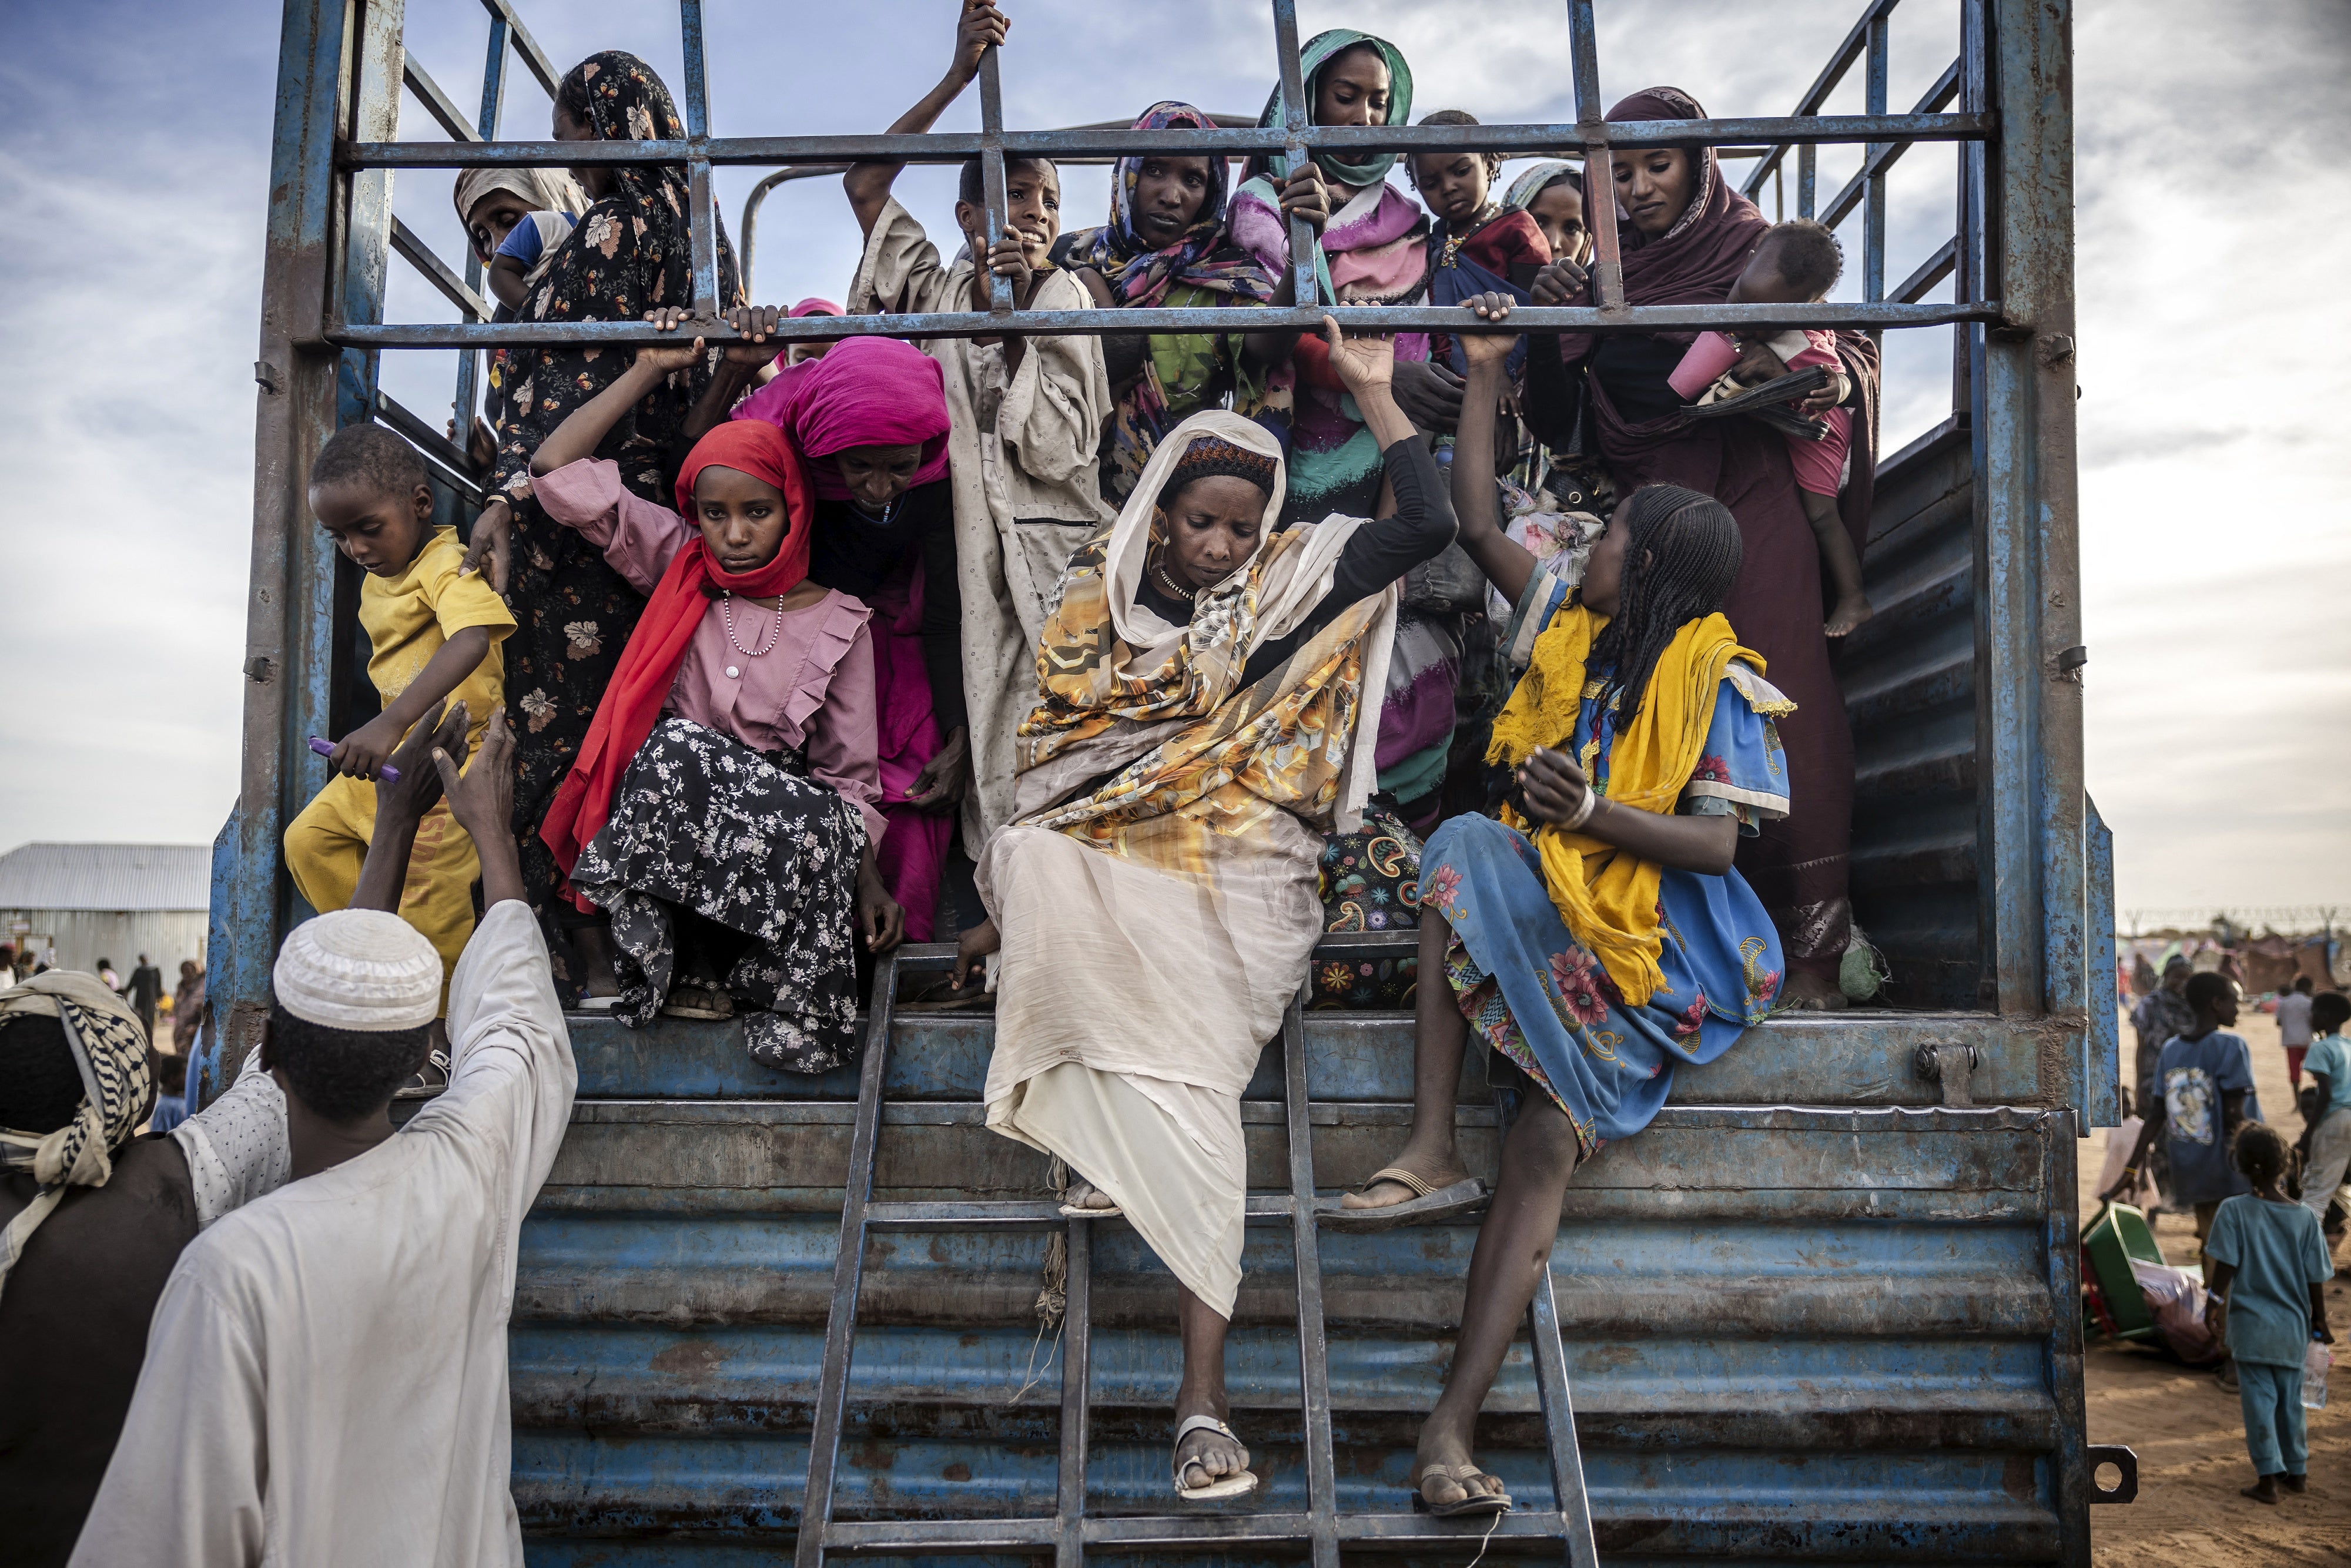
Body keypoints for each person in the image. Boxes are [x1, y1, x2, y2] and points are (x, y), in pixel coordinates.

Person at [952, 325, 1456, 1502]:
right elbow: (1059, 772)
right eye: (1201, 523)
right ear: (1160, 516)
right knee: (1027, 853)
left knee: (1191, 1083)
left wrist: (1372, 392)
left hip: (1246, 867)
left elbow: (1427, 523)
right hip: (1114, 847)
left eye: (1242, 525)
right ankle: (1183, 1359)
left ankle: (1200, 1395)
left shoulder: (1293, 581)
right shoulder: (1095, 598)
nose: (1223, 547)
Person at [1338, 451, 1792, 1514]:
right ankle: (1433, 1145)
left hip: (1660, 955)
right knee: (1463, 840)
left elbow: (1718, 846)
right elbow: (1480, 519)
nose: (1592, 544)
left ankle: (1450, 1423)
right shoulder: (1570, 633)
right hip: (1568, 911)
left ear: (1653, 565)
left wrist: (1589, 811)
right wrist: (1485, 378)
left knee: (1546, 1139)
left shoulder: (1719, 679)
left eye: (1614, 533)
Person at [70, 707, 576, 1567]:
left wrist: (394, 824)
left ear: (271, 1050)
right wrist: (491, 837)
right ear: (422, 1058)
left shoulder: (233, 1274)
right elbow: (516, 1024)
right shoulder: (469, 1176)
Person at [1525, 86, 1877, 1010]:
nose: (1639, 188)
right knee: (1660, 705)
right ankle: (1688, 945)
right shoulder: (1599, 277)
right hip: (1654, 519)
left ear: (1700, 167)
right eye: (1620, 173)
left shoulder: (1755, 248)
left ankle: (1811, 950)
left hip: (1756, 499)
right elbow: (1562, 423)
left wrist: (1819, 377)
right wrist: (1548, 324)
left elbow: (1845, 350)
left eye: (1658, 165)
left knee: (1779, 695)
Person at [530, 352, 902, 1071]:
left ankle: (770, 980)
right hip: (676, 817)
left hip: (774, 838)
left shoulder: (841, 622)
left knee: (781, 796)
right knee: (678, 749)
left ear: (793, 510)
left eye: (756, 512)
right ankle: (690, 957)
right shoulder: (681, 561)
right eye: (715, 514)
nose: (733, 534)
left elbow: (848, 780)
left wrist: (868, 880)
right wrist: (647, 368)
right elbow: (553, 469)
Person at [462, 50, 744, 997]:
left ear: (609, 126)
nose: (565, 155)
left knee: (557, 733)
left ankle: (558, 953)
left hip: (576, 514)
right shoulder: (705, 233)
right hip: (660, 519)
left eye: (570, 133)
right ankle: (653, 949)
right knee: (646, 729)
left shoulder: (615, 225)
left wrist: (504, 495)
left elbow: (550, 380)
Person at [842, 0, 1117, 867]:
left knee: (1067, 734)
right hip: (959, 541)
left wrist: (1019, 313)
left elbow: (1060, 448)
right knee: (981, 717)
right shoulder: (937, 290)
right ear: (968, 218)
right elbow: (865, 186)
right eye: (1017, 193)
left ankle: (1059, 900)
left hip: (1056, 549)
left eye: (1049, 199)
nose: (1035, 212)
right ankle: (999, 896)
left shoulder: (1067, 296)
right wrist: (958, 77)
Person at [717, 336, 964, 940]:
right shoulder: (785, 453)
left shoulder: (935, 479)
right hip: (791, 631)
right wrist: (731, 373)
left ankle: (900, 946)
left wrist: (961, 736)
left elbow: (942, 613)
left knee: (916, 776)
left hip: (892, 633)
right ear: (825, 447)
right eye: (860, 467)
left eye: (899, 467)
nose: (879, 489)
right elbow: (695, 469)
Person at [283, 423, 514, 1054]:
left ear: (419, 504)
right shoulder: (376, 578)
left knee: (431, 903)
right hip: (398, 763)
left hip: (450, 765)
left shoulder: (446, 565)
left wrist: (388, 724)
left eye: (368, 528)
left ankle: (434, 1033)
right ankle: (381, 965)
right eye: (339, 536)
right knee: (309, 841)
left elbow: (472, 639)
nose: (355, 548)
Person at [1230, 28, 1446, 524]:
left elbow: (1425, 335)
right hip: (1296, 438)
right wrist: (1386, 379)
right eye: (1346, 97)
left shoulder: (1407, 217)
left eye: (1379, 103)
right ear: (1309, 101)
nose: (1363, 117)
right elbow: (1262, 338)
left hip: (1399, 438)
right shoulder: (1268, 200)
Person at [1054, 100, 1290, 504]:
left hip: (1181, 507)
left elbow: (1267, 346)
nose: (1172, 195)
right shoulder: (1070, 255)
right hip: (1064, 490)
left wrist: (1300, 257)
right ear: (1128, 172)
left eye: (1193, 180)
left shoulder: (1227, 273)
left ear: (1211, 192)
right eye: (1155, 170)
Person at [1669, 219, 1870, 636]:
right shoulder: (1749, 293)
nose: (1748, 322)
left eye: (1768, 321)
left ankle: (1854, 598)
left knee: (1821, 514)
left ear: (1809, 307)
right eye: (1743, 300)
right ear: (1746, 264)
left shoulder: (1806, 341)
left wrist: (1836, 387)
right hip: (1789, 420)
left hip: (1818, 430)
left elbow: (1837, 379)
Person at [2202, 1122, 2333, 1504]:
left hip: (2250, 1327)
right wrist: (2320, 1321)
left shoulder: (2234, 1211)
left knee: (2259, 1401)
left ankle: (2267, 1478)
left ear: (2240, 1164)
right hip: (2293, 1328)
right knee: (2292, 1402)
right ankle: (2298, 1471)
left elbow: (2225, 1267)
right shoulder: (2305, 1218)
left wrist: (2213, 1303)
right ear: (2285, 1165)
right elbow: (2315, 1278)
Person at [2104, 972, 2263, 1276]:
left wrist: (2131, 1169)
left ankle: (2213, 1300)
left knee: (2211, 1240)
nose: (2238, 1010)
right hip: (2230, 1167)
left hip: (2191, 1169)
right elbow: (2235, 1115)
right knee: (2237, 1250)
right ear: (2216, 1004)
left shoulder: (2171, 1049)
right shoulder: (2231, 1046)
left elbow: (2156, 1115)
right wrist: (2262, 1163)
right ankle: (2224, 1304)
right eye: (2235, 1002)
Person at [1408, 112, 1550, 383]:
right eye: (1430, 184)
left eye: (1461, 171)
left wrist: (1503, 375)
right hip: (1440, 372)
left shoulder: (1516, 228)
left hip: (1499, 369)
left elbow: (1531, 310)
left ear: (1490, 164)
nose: (1448, 187)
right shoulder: (1434, 236)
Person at [2299, 991, 2351, 1236]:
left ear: (2325, 1016)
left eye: (2314, 1012)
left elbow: (2326, 1094)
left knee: (2316, 1193)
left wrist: (2308, 1133)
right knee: (2338, 1184)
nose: (2310, 1017)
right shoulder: (2348, 1045)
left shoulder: (2321, 1048)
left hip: (2335, 1119)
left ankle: (2303, 1251)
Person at [1504, 160, 1592, 273]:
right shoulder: (1483, 280)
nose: (1553, 244)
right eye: (1538, 224)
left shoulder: (1604, 283)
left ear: (1586, 241)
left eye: (1571, 229)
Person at [2276, 973, 2315, 1088]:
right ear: (2308, 988)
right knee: (2316, 1068)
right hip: (2307, 1041)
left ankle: (2297, 1097)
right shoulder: (2310, 1003)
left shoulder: (2284, 1002)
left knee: (2294, 1072)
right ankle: (2319, 1093)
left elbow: (2278, 1022)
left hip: (2291, 1042)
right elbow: (2314, 1022)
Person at [171, 960, 206, 1055]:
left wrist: (196, 1027)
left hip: (196, 1029)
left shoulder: (203, 987)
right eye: (184, 971)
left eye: (190, 970)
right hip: (181, 1028)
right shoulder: (182, 986)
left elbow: (207, 1012)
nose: (187, 973)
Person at [127, 955, 164, 1041]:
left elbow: (158, 983)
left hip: (151, 997)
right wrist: (126, 991)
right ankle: (140, 1032)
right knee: (140, 1013)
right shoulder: (139, 970)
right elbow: (132, 982)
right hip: (140, 996)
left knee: (150, 1015)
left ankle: (149, 1033)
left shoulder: (155, 970)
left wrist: (160, 995)